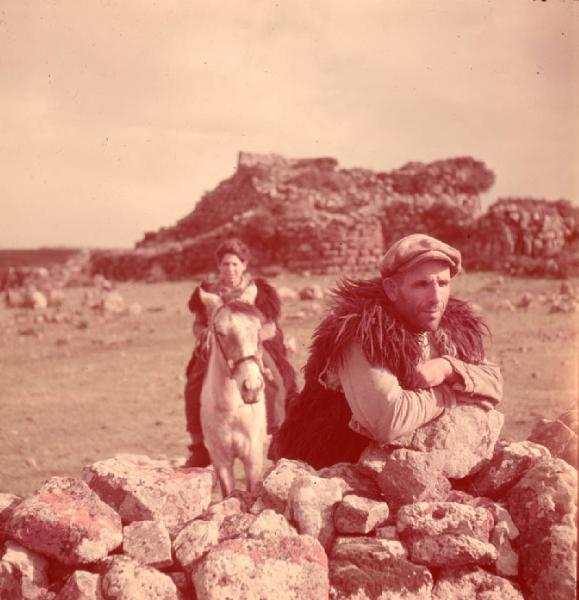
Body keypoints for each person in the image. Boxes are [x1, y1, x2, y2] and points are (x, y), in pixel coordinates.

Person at [269, 233, 503, 469]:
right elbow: (389, 419)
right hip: (330, 468)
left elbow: (494, 382)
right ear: (391, 289)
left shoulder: (452, 326)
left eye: (442, 283)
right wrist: (448, 394)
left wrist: (447, 368)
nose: (436, 298)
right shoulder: (365, 332)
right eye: (421, 284)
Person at [184, 237, 297, 467]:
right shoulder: (208, 293)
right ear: (219, 266)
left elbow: (271, 326)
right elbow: (197, 325)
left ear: (244, 265)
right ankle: (199, 446)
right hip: (219, 347)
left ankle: (277, 439)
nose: (230, 269)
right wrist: (205, 333)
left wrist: (253, 338)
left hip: (250, 346)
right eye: (226, 264)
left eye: (235, 264)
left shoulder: (257, 291)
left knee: (274, 380)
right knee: (194, 383)